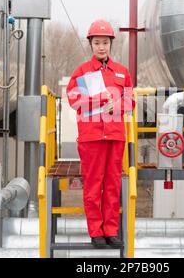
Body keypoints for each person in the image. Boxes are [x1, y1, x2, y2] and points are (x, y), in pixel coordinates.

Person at [66, 19, 135, 249]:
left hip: (115, 136)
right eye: (97, 43)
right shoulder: (82, 72)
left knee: (113, 184)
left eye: (105, 42)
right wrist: (100, 99)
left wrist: (118, 106)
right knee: (94, 185)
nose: (101, 47)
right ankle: (96, 232)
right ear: (91, 44)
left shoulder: (122, 73)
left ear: (111, 43)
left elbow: (131, 101)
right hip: (91, 138)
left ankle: (111, 231)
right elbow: (75, 101)